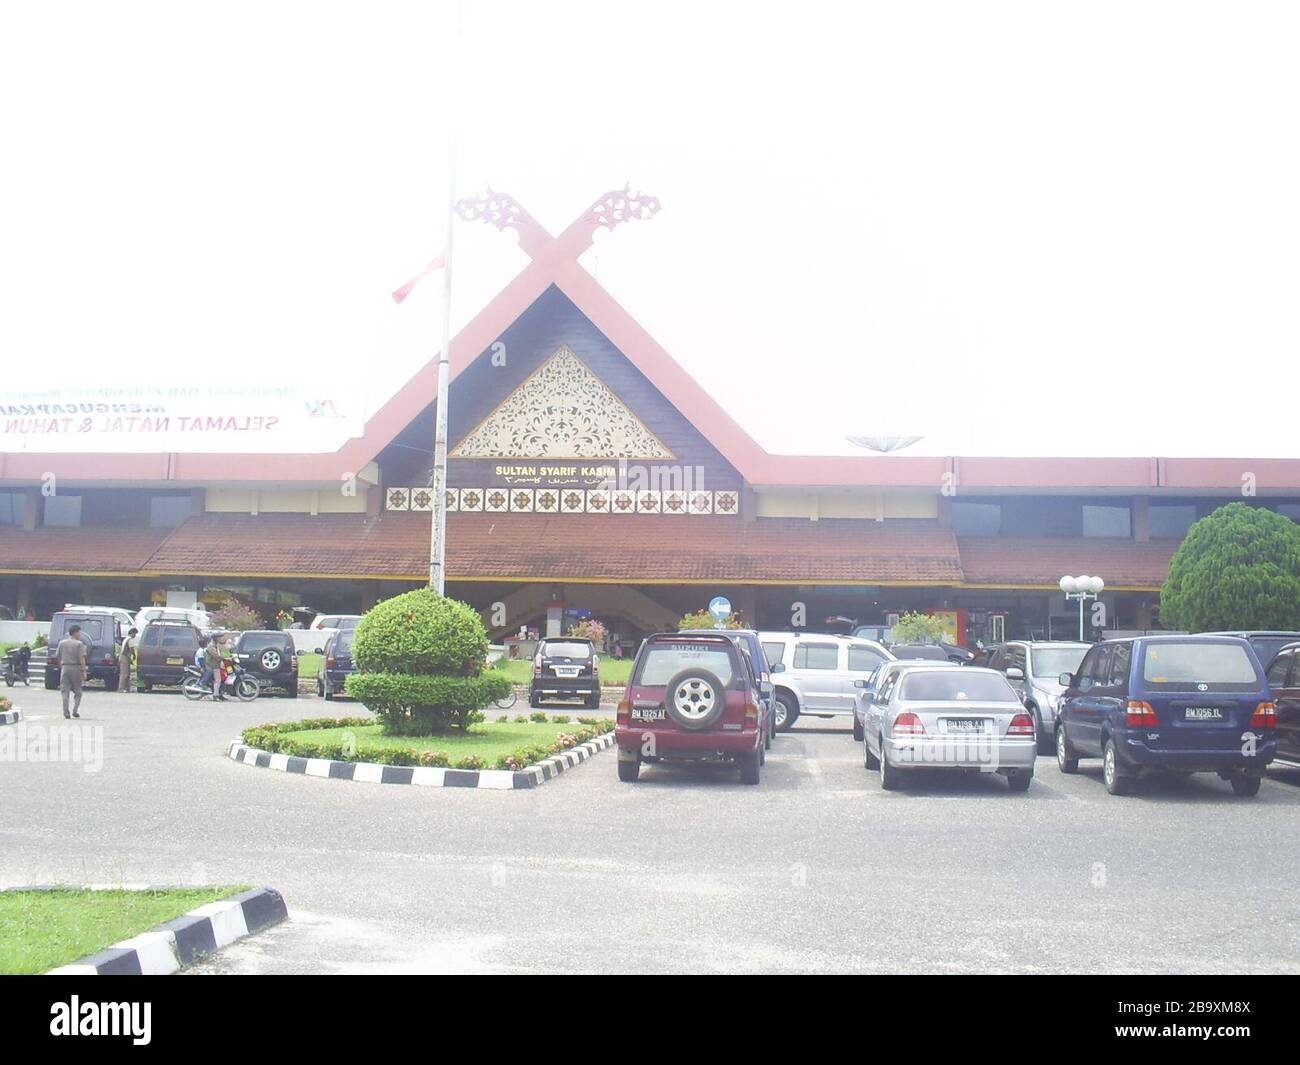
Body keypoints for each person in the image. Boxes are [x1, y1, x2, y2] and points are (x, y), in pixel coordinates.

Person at [56, 623, 89, 719]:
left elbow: (58, 656)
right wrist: (84, 671)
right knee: (78, 691)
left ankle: (66, 712)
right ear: (75, 633)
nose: (80, 634)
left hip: (65, 667)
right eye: (79, 632)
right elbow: (82, 659)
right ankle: (75, 710)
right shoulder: (79, 644)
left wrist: (61, 665)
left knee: (64, 691)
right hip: (76, 668)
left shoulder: (62, 643)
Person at [118, 627, 138, 692]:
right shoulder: (130, 639)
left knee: (127, 673)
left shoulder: (126, 639)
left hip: (124, 657)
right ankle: (121, 688)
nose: (135, 635)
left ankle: (127, 688)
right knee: (124, 674)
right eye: (134, 634)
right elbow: (131, 648)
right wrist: (134, 655)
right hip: (125, 657)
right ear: (132, 633)